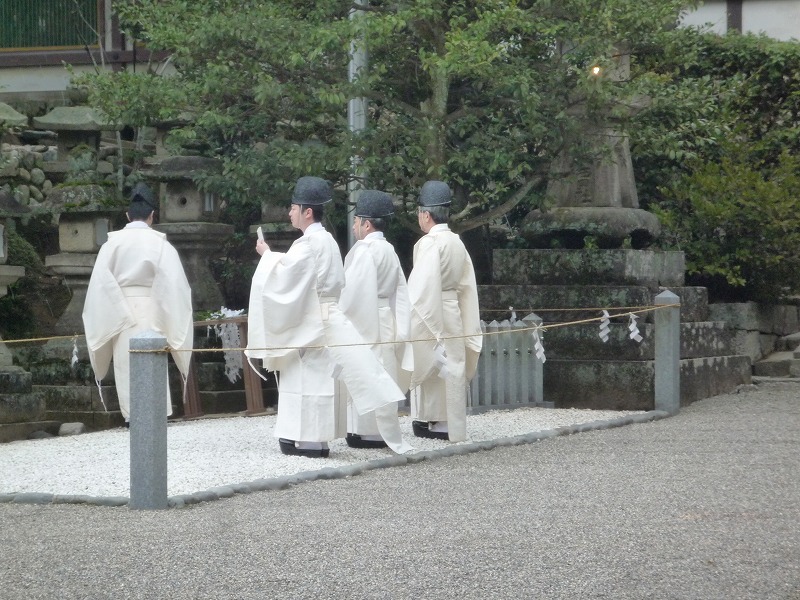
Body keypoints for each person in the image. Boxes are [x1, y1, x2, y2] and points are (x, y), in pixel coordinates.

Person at [245, 176, 412, 457]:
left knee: (305, 378)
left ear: (307, 212)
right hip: (332, 318)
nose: (290, 213)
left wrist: (267, 256)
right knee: (322, 380)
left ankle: (306, 440)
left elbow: (287, 278)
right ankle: (318, 439)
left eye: (293, 208)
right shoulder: (329, 241)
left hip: (312, 319)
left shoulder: (310, 244)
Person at [82, 182, 194, 426]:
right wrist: (166, 315)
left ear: (127, 215)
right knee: (153, 359)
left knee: (126, 363)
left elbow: (100, 285)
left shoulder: (111, 245)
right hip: (153, 310)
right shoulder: (161, 245)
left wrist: (116, 311)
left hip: (120, 311)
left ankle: (132, 417)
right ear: (152, 215)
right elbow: (175, 286)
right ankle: (156, 415)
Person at [407, 180, 482, 442]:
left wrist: (414, 317)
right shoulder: (456, 242)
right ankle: (452, 421)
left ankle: (436, 420)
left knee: (435, 361)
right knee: (454, 363)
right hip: (453, 310)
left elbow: (422, 286)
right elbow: (467, 284)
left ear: (426, 215)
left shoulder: (430, 243)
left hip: (434, 308)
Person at [337, 190, 412, 449]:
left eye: (357, 221)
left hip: (366, 316)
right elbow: (400, 291)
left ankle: (364, 431)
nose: (354, 226)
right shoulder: (389, 250)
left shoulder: (365, 251)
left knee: (366, 368)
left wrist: (338, 313)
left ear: (367, 224)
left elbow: (352, 293)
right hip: (385, 316)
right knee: (384, 369)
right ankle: (381, 429)